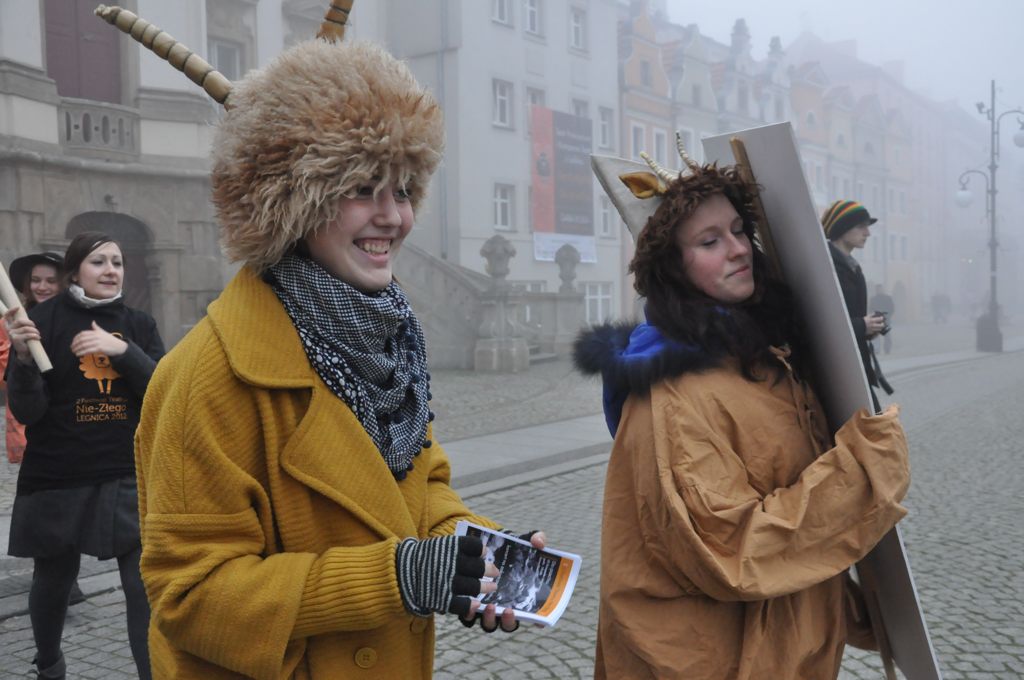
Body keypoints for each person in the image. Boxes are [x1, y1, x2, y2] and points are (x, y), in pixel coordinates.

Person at [127, 30, 544, 680]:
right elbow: (191, 596)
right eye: (361, 188)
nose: (395, 217)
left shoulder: (389, 338)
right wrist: (398, 577)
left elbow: (420, 487)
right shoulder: (205, 374)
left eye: (404, 190)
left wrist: (471, 552)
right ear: (289, 200)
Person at [574, 153, 911, 679]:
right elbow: (729, 547)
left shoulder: (760, 353)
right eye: (709, 242)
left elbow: (787, 487)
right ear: (673, 268)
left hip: (777, 646)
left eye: (738, 231)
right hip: (710, 661)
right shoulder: (674, 393)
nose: (737, 250)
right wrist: (864, 473)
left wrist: (845, 604)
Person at [3, 232, 163, 679]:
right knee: (53, 582)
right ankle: (49, 664)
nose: (111, 269)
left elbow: (163, 394)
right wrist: (22, 360)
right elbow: (28, 411)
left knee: (141, 586)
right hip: (58, 474)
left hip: (126, 474)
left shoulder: (139, 324)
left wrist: (123, 352)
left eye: (117, 261)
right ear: (75, 271)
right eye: (99, 262)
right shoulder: (44, 321)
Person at [822, 200, 892, 411]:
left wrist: (870, 327)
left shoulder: (851, 267)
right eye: (861, 226)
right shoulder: (828, 267)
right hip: (837, 370)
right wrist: (862, 325)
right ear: (842, 229)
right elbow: (821, 323)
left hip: (854, 363)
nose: (868, 233)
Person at [3, 252, 63, 464]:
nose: (42, 287)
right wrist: (23, 356)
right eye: (35, 280)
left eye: (51, 281)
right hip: (39, 426)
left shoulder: (73, 321)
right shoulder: (21, 322)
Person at [869, 284, 895, 354]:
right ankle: (877, 350)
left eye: (880, 289)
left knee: (887, 336)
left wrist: (888, 316)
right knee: (876, 336)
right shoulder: (873, 299)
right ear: (876, 290)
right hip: (876, 319)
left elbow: (891, 308)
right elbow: (871, 309)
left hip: (886, 319)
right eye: (878, 289)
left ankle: (887, 349)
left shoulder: (887, 298)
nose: (879, 290)